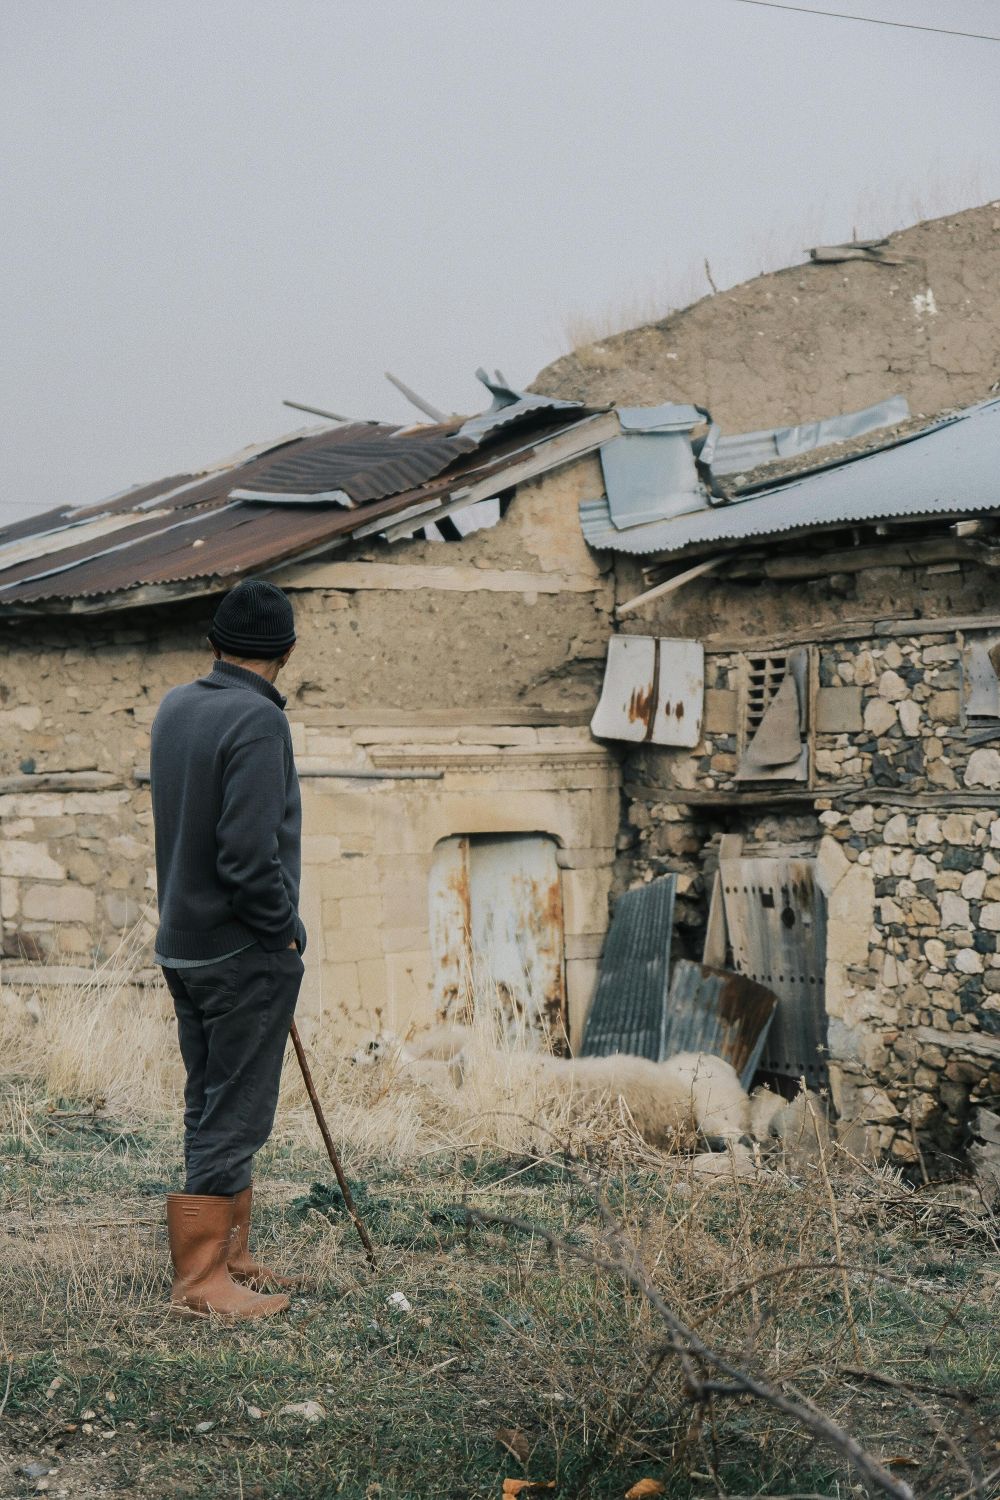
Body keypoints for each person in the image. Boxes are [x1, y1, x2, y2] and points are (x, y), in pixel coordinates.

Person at [150, 578, 306, 1320]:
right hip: (239, 949)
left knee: (209, 1098)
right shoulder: (259, 720)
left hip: (182, 945)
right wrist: (282, 927)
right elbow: (247, 856)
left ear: (212, 642)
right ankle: (203, 1283)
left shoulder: (177, 706)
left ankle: (231, 1254)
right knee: (236, 1109)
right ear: (287, 652)